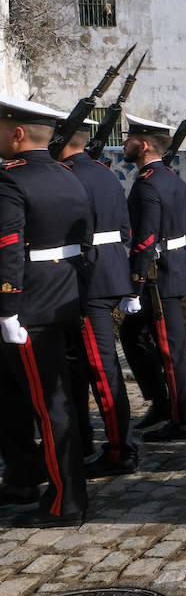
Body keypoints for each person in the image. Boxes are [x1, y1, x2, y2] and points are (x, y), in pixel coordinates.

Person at [0, 95, 91, 526]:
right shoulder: (67, 176)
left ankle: (65, 501)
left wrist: (7, 307)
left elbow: (8, 249)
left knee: (50, 403)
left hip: (27, 307)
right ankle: (22, 476)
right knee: (17, 396)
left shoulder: (10, 180)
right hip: (63, 296)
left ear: (17, 134)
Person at [58, 116, 138, 476]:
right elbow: (124, 228)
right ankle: (86, 437)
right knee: (84, 362)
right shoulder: (104, 172)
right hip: (109, 271)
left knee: (100, 367)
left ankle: (120, 449)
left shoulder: (69, 176)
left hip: (88, 278)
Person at [119, 114, 186, 442]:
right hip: (174, 265)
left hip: (158, 276)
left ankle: (185, 420)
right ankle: (161, 402)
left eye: (128, 139)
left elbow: (145, 239)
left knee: (170, 349)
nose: (124, 144)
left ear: (143, 144)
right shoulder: (173, 179)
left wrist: (135, 284)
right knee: (133, 334)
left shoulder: (148, 185)